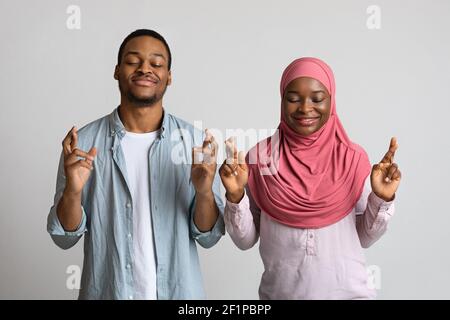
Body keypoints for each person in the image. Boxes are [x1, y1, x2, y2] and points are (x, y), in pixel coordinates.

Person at [47, 29, 225, 300]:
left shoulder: (194, 143)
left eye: (156, 63)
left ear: (169, 76)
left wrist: (204, 193)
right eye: (133, 61)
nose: (145, 69)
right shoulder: (82, 144)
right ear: (117, 71)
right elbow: (64, 238)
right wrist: (72, 192)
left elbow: (208, 237)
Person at [219, 57, 401, 299]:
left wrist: (382, 197)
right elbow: (245, 241)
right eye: (293, 99)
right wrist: (235, 195)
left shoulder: (351, 158)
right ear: (282, 101)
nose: (305, 108)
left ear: (331, 100)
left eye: (317, 99)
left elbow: (366, 238)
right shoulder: (260, 159)